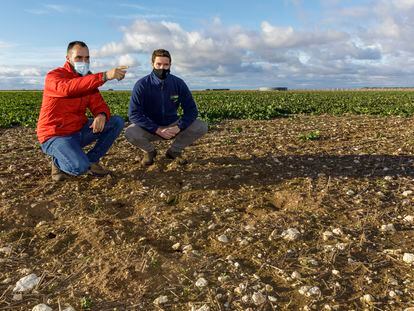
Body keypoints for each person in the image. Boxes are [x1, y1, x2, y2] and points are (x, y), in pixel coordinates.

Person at [37, 41, 127, 181]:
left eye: (87, 58)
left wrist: (101, 115)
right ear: (68, 58)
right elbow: (68, 88)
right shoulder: (54, 76)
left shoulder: (87, 80)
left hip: (78, 130)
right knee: (79, 167)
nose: (84, 61)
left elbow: (98, 104)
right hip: (55, 135)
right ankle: (58, 162)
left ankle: (91, 160)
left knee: (116, 122)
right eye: (79, 57)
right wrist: (104, 76)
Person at [125, 49, 208, 166]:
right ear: (152, 64)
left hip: (172, 124)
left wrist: (178, 127)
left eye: (166, 64)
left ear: (170, 65)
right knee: (130, 132)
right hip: (150, 127)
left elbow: (192, 111)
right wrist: (156, 129)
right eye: (158, 64)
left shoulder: (178, 83)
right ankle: (150, 151)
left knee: (201, 126)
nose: (162, 68)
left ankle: (174, 151)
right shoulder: (142, 85)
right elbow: (133, 114)